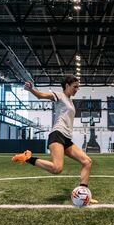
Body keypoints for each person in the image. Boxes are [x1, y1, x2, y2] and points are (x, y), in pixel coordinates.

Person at [12, 75, 97, 204]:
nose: (77, 89)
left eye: (78, 87)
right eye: (75, 87)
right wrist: (31, 89)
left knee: (87, 162)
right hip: (57, 134)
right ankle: (28, 158)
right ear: (67, 86)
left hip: (67, 138)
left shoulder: (70, 101)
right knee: (57, 168)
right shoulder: (60, 96)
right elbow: (41, 96)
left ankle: (83, 194)